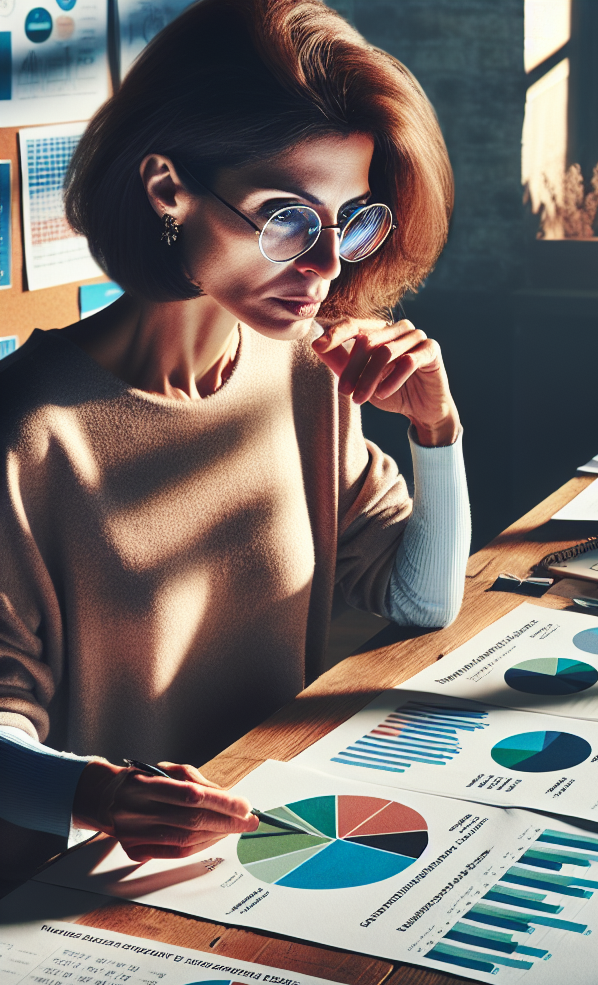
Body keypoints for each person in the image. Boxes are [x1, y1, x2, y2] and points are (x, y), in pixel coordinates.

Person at [0, 0, 470, 878]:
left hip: (273, 852)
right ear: (166, 189)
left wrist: (436, 432)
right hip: (82, 893)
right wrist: (98, 796)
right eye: (286, 217)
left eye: (352, 218)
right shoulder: (28, 433)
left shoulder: (306, 372)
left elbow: (418, 602)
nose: (328, 264)